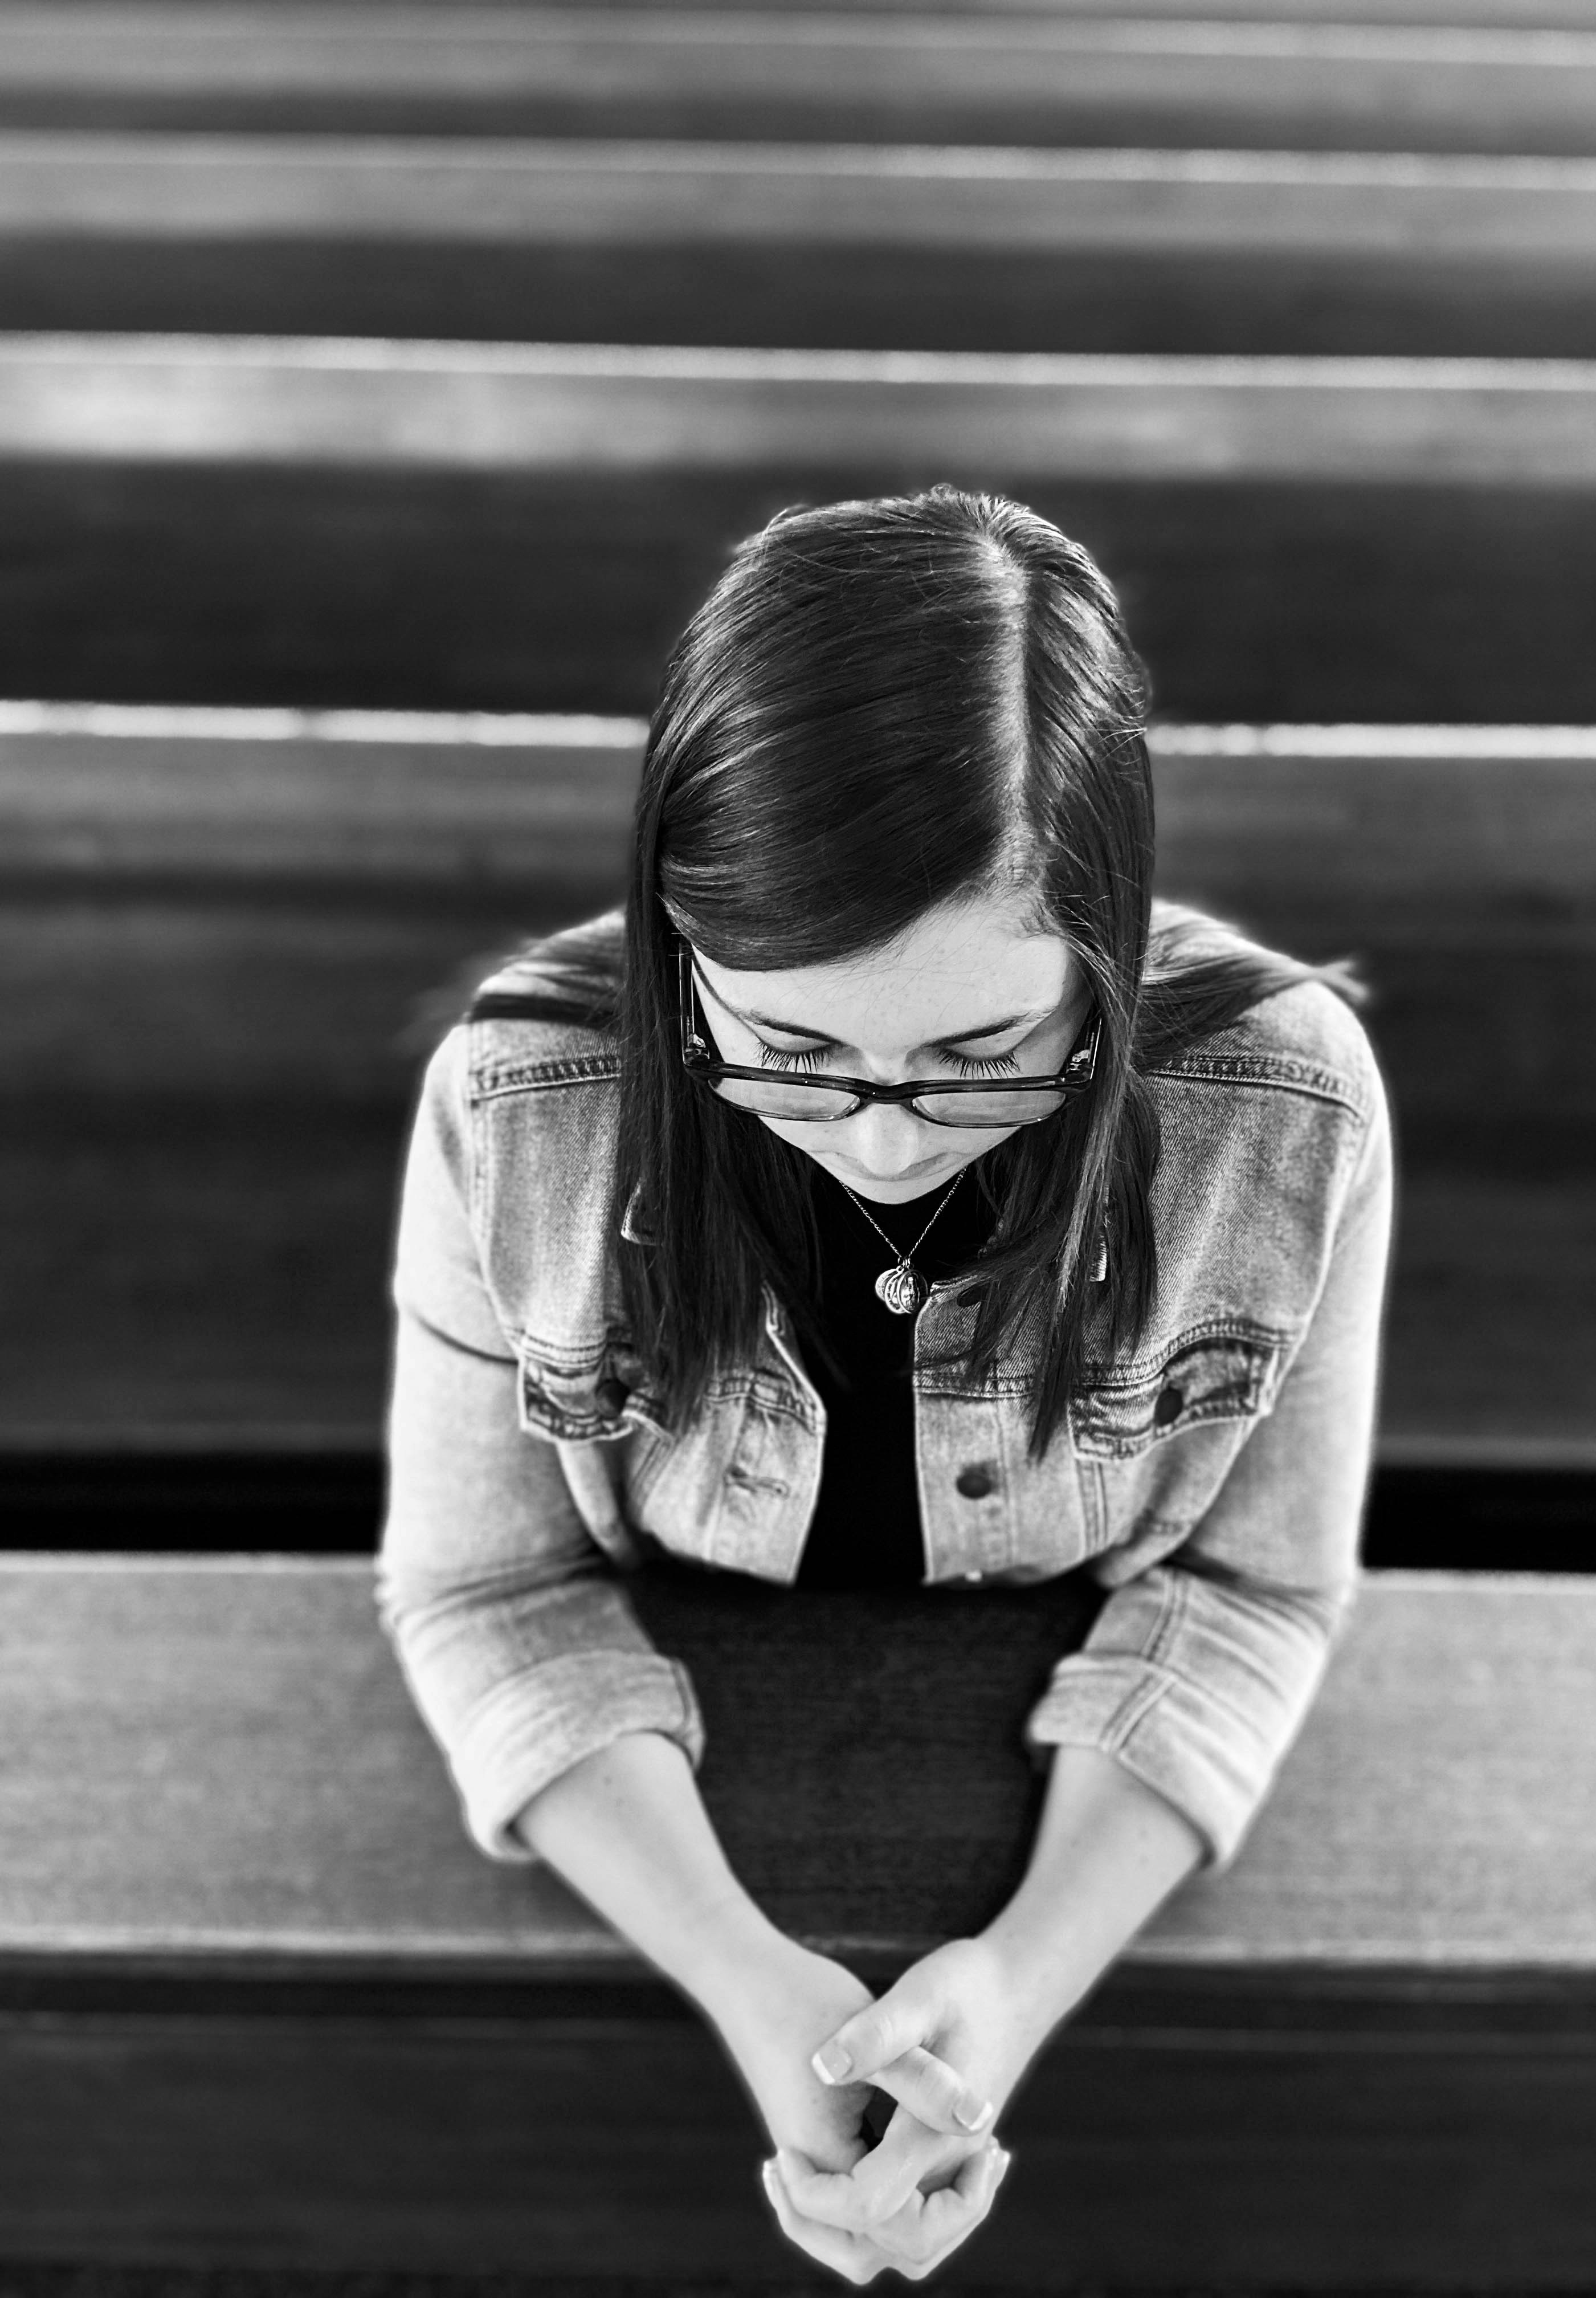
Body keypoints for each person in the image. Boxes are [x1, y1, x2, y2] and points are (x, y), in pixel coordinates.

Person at [378, 485, 1393, 2283]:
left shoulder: (1285, 1103)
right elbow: (484, 1579)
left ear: (1110, 949)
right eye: (786, 1049)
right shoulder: (524, 1094)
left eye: (986, 1052)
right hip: (687, 1793)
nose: (883, 1142)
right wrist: (753, 1978)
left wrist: (1014, 1979)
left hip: (1064, 1792)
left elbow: (1256, 1582)